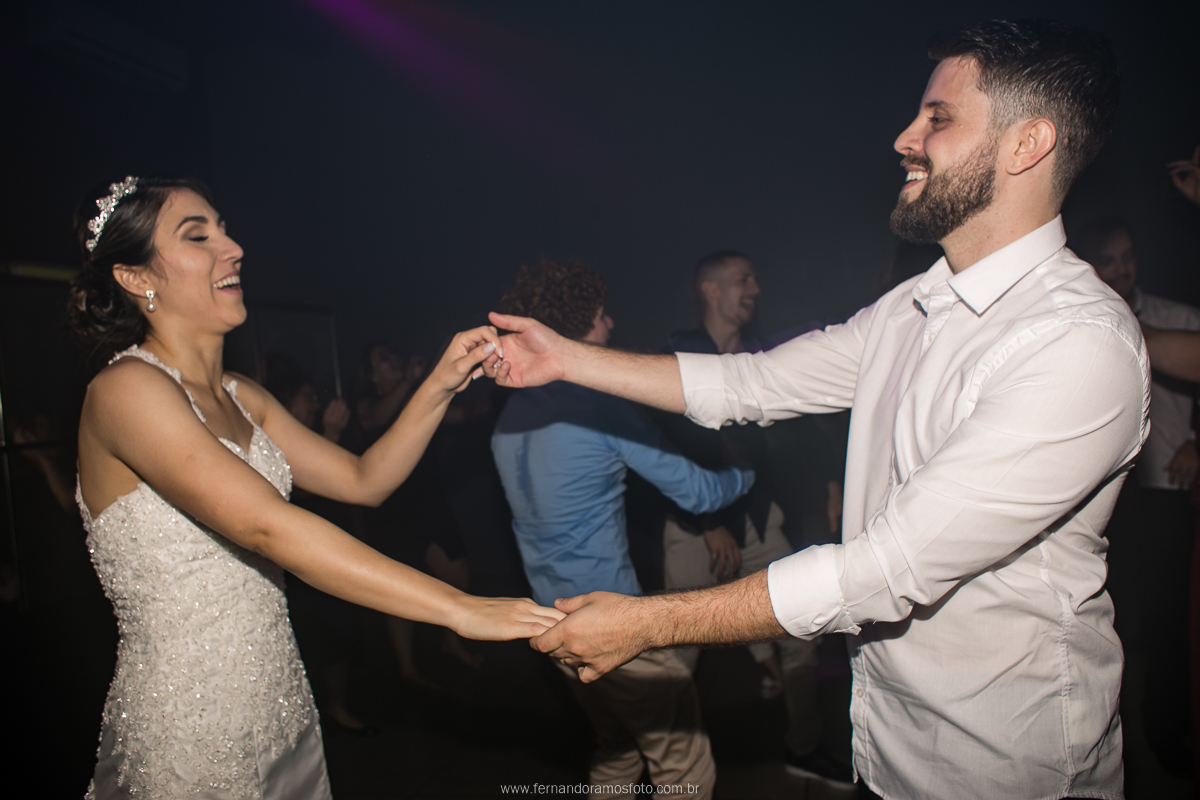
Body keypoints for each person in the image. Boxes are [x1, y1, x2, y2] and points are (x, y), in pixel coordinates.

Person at [486, 19, 1142, 800]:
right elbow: (751, 386)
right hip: (888, 741)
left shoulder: (1077, 343)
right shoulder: (913, 306)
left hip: (1003, 761)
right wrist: (566, 358)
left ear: (1026, 144)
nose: (904, 137)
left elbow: (883, 571)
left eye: (938, 118)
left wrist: (646, 622)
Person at [68, 175, 563, 799]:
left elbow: (365, 479)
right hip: (186, 730)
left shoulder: (244, 397)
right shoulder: (125, 391)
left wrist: (439, 380)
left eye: (225, 227)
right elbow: (267, 525)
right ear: (137, 277)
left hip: (280, 703)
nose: (233, 246)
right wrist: (460, 608)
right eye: (198, 236)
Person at [490, 260, 753, 800]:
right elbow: (699, 493)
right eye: (603, 315)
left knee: (615, 752)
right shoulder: (596, 406)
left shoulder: (509, 415)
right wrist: (747, 468)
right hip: (606, 617)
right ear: (576, 324)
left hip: (547, 620)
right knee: (684, 769)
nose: (611, 326)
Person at [661, 250, 850, 786]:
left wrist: (830, 480)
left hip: (759, 519)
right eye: (743, 279)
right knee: (679, 650)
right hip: (696, 524)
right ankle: (666, 765)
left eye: (756, 279)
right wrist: (707, 521)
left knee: (800, 631)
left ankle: (803, 745)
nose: (756, 288)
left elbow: (799, 431)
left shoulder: (760, 357)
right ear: (711, 290)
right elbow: (663, 450)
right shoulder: (678, 355)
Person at [1074, 217, 1199, 775]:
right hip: (1109, 501)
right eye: (1110, 260)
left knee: (1173, 621)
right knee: (1111, 621)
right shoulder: (1075, 328)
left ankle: (1166, 733)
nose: (1123, 268)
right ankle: (1104, 736)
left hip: (1168, 491)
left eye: (1128, 256)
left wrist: (1199, 440)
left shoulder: (1177, 319)